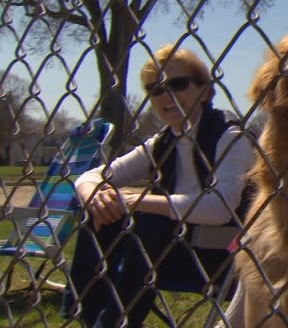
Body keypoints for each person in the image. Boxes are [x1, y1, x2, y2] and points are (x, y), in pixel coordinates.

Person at [62, 44, 255, 327]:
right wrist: (93, 196)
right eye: (155, 90)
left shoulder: (230, 136)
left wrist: (139, 201)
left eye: (177, 84)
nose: (166, 96)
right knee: (99, 208)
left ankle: (115, 322)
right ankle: (87, 315)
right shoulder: (162, 142)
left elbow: (220, 208)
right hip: (170, 250)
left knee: (148, 217)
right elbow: (92, 175)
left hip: (225, 254)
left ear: (204, 90)